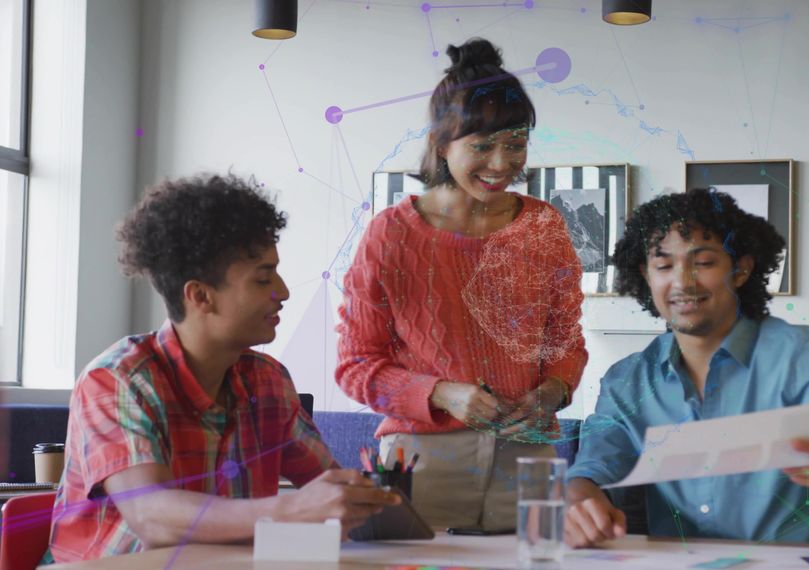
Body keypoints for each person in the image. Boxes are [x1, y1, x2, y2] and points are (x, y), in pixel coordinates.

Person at [48, 174, 399, 563]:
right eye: (263, 278)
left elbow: (325, 487)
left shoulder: (268, 380)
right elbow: (152, 517)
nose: (282, 291)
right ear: (200, 296)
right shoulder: (117, 380)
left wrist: (362, 500)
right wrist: (291, 510)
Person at [336, 38, 587, 531]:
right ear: (441, 144)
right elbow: (355, 365)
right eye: (482, 146)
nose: (501, 164)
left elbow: (566, 341)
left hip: (528, 457)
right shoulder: (392, 233)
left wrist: (554, 390)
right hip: (422, 457)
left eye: (515, 144)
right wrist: (442, 394)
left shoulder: (545, 226)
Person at [564, 189, 809, 547]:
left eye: (704, 262)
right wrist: (580, 500)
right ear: (647, 277)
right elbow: (592, 471)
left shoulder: (808, 357)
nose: (682, 282)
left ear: (740, 269)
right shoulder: (626, 381)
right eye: (663, 265)